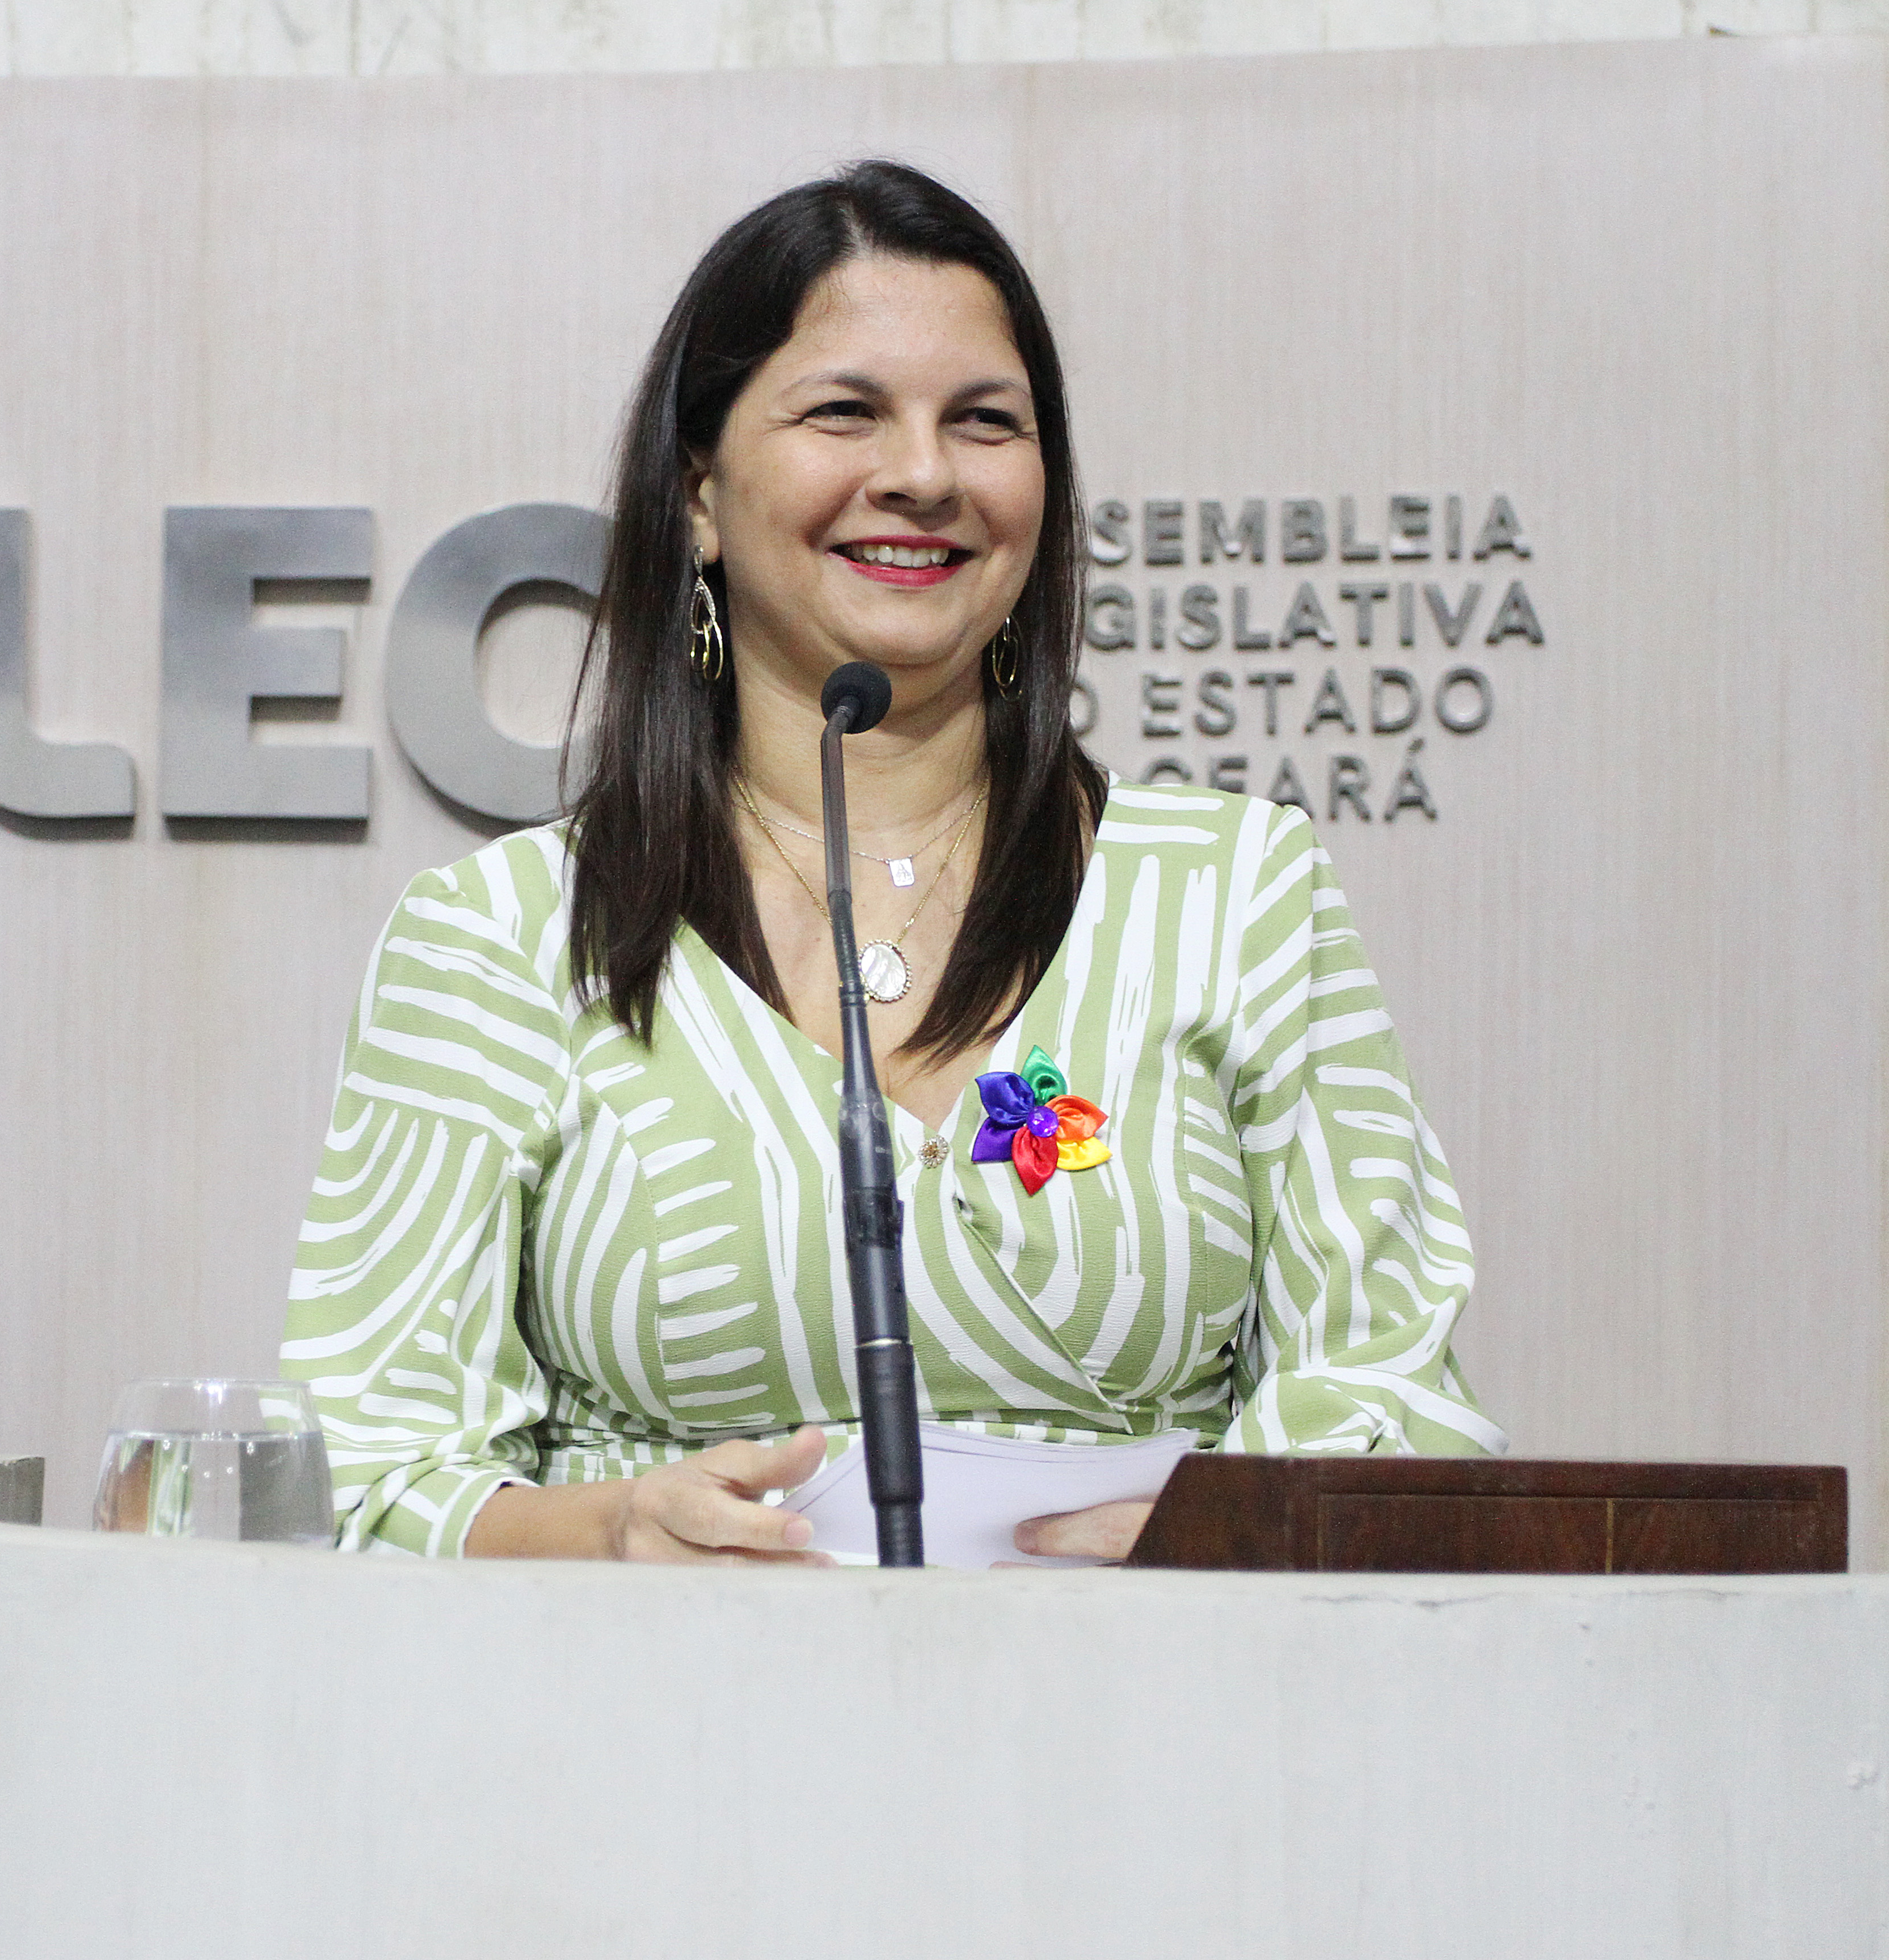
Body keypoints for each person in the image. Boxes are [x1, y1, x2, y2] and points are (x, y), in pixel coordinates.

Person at [281, 160, 1504, 1565]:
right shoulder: (502, 935)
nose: (923, 476)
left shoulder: (1239, 893)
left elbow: (1395, 1405)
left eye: (984, 422)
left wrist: (1208, 1542)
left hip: (1153, 1686)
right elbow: (365, 1478)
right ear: (697, 493)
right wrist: (615, 1532)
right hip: (649, 1690)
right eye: (845, 413)